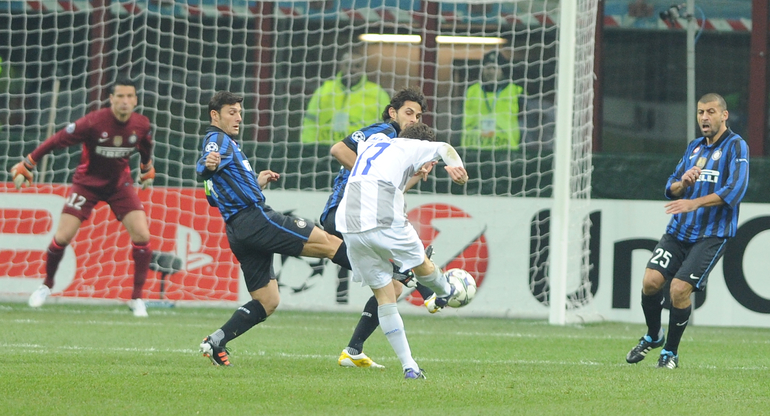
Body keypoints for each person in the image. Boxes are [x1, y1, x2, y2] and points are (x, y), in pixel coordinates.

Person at [196, 91, 357, 366]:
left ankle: (215, 341)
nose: (238, 117)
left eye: (239, 112)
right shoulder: (217, 140)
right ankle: (393, 274)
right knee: (330, 243)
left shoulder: (229, 145)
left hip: (238, 230)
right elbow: (205, 164)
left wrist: (256, 182)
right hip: (256, 219)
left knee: (267, 300)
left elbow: (216, 196)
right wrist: (206, 165)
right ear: (215, 115)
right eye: (231, 112)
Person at [10, 77, 155, 317]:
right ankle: (46, 285)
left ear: (135, 100)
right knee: (63, 236)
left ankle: (137, 298)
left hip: (120, 185)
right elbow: (57, 139)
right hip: (87, 184)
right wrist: (29, 161)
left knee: (142, 235)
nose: (125, 101)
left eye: (129, 96)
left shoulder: (141, 124)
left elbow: (145, 146)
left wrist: (146, 166)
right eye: (120, 96)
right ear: (111, 99)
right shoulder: (93, 122)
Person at [625, 93, 749, 369]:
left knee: (679, 289)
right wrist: (683, 184)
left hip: (711, 235)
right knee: (651, 281)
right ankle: (653, 335)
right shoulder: (694, 147)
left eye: (711, 112)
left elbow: (736, 189)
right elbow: (670, 187)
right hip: (679, 231)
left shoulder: (736, 146)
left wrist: (695, 202)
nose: (704, 117)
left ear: (724, 115)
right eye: (701, 112)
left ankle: (670, 352)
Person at [336, 122, 469, 379]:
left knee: (385, 295)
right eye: (430, 165)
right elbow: (445, 148)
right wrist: (458, 169)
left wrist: (416, 169)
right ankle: (446, 292)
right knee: (423, 266)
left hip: (349, 222)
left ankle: (410, 367)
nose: (428, 170)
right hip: (381, 215)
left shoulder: (376, 142)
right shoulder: (413, 146)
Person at [321, 86, 442, 369]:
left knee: (393, 288)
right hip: (345, 213)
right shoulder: (384, 132)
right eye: (408, 113)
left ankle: (353, 350)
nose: (413, 119)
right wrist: (368, 178)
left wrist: (418, 172)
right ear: (392, 113)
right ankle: (426, 288)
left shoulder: (400, 150)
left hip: (363, 217)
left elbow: (397, 188)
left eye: (418, 116)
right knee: (403, 261)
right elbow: (338, 149)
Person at [301, 48, 390, 144]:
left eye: (357, 66)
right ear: (340, 66)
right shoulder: (324, 90)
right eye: (348, 65)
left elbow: (386, 126)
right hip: (325, 148)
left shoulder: (378, 94)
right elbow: (310, 123)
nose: (352, 70)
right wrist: (308, 146)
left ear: (363, 68)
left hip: (360, 149)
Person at [461, 50, 525, 149]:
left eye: (494, 68)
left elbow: (525, 123)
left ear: (502, 70)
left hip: (505, 151)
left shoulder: (516, 92)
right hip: (474, 150)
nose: (491, 71)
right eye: (487, 68)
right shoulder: (471, 91)